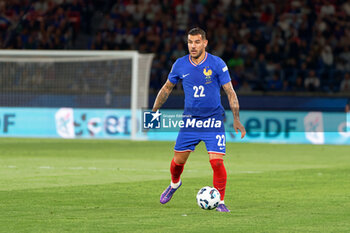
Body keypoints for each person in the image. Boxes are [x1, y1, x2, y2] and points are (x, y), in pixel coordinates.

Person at [151, 28, 246, 212]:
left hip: (213, 120)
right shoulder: (180, 64)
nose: (192, 46)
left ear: (204, 43)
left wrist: (236, 118)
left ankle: (220, 201)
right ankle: (174, 184)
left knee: (217, 162)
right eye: (189, 42)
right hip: (190, 122)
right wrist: (154, 111)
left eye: (196, 42)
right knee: (178, 161)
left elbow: (230, 92)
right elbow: (166, 89)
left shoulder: (217, 64)